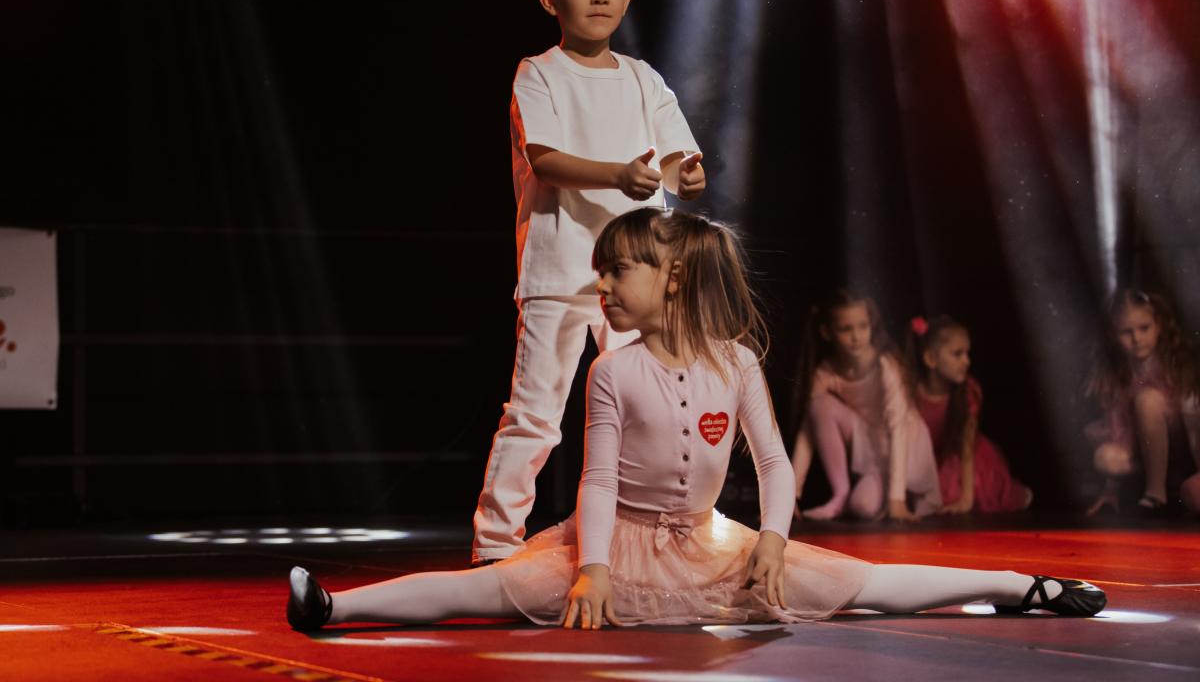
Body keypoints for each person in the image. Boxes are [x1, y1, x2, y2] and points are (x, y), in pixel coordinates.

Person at [286, 209, 1106, 630]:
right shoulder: (612, 369)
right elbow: (598, 482)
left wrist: (774, 539)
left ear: (672, 279)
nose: (603, 287)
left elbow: (775, 463)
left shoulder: (735, 362)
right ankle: (336, 606)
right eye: (600, 273)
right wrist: (592, 567)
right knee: (494, 590)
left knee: (858, 585)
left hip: (712, 542)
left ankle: (1019, 586)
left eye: (619, 272)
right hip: (618, 542)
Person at [473, 0, 706, 564]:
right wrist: (618, 175)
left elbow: (677, 162)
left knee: (653, 405)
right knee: (537, 411)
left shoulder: (643, 79)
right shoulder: (538, 74)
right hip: (560, 270)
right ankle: (495, 544)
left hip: (642, 276)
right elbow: (546, 159)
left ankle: (657, 532)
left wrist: (685, 175)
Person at [789, 291, 941, 522]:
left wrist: (896, 499)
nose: (856, 336)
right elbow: (808, 432)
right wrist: (790, 494)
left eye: (862, 326)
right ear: (827, 333)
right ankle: (840, 494)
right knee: (819, 407)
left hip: (905, 446)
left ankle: (903, 494)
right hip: (872, 446)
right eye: (845, 329)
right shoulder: (826, 371)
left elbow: (898, 427)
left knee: (867, 505)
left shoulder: (885, 364)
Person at [1085, 289, 1200, 515]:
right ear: (1113, 334)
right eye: (1126, 332)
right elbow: (1118, 428)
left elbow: (1193, 420)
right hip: (1144, 452)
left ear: (1158, 326)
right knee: (1104, 457)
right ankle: (1153, 486)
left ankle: (1156, 493)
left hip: (1183, 449)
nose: (1137, 339)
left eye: (1144, 328)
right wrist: (1110, 490)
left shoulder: (1172, 364)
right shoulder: (1118, 373)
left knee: (1147, 400)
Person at [907, 315, 1032, 514]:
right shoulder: (912, 392)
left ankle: (1015, 494)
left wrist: (966, 499)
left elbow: (966, 448)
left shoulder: (967, 394)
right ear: (931, 359)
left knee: (957, 490)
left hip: (958, 455)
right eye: (957, 354)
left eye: (967, 353)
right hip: (927, 458)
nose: (967, 361)